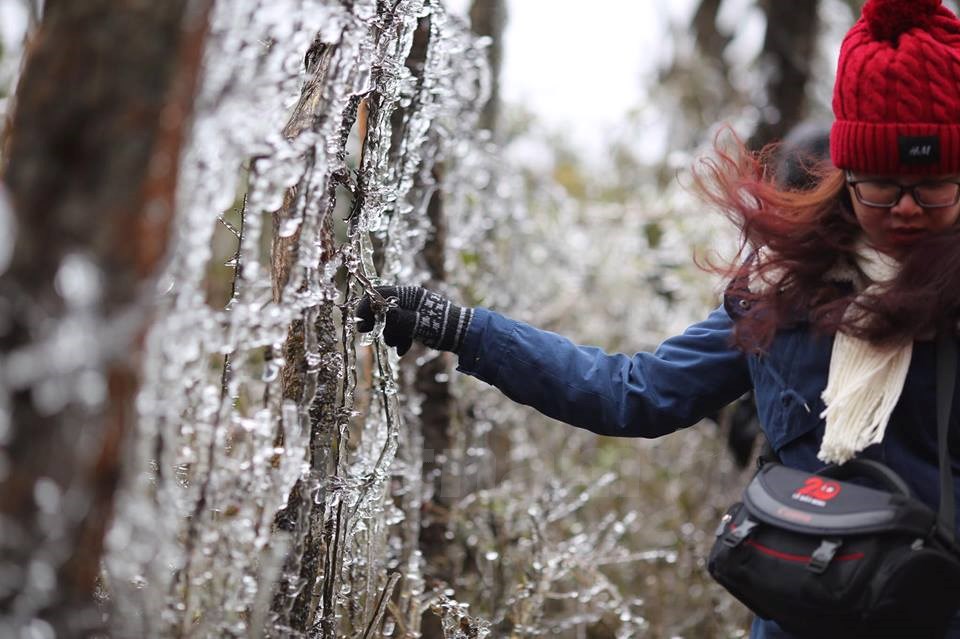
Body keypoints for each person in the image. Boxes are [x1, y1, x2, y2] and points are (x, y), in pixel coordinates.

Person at [357, 0, 960, 636]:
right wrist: (463, 330)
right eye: (881, 187)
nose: (907, 210)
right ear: (845, 177)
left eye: (935, 185)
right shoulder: (783, 294)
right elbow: (634, 394)